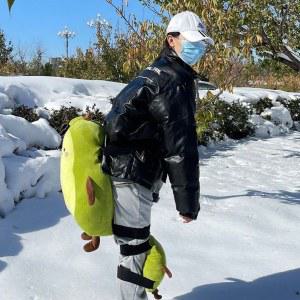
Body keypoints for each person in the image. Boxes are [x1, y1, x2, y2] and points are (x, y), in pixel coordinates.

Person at [101, 10, 214, 300]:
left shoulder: (158, 71)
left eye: (201, 44)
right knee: (134, 248)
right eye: (192, 42)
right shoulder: (172, 80)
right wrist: (187, 204)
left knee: (134, 244)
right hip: (133, 173)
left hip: (128, 170)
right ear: (171, 40)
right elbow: (180, 147)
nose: (198, 49)